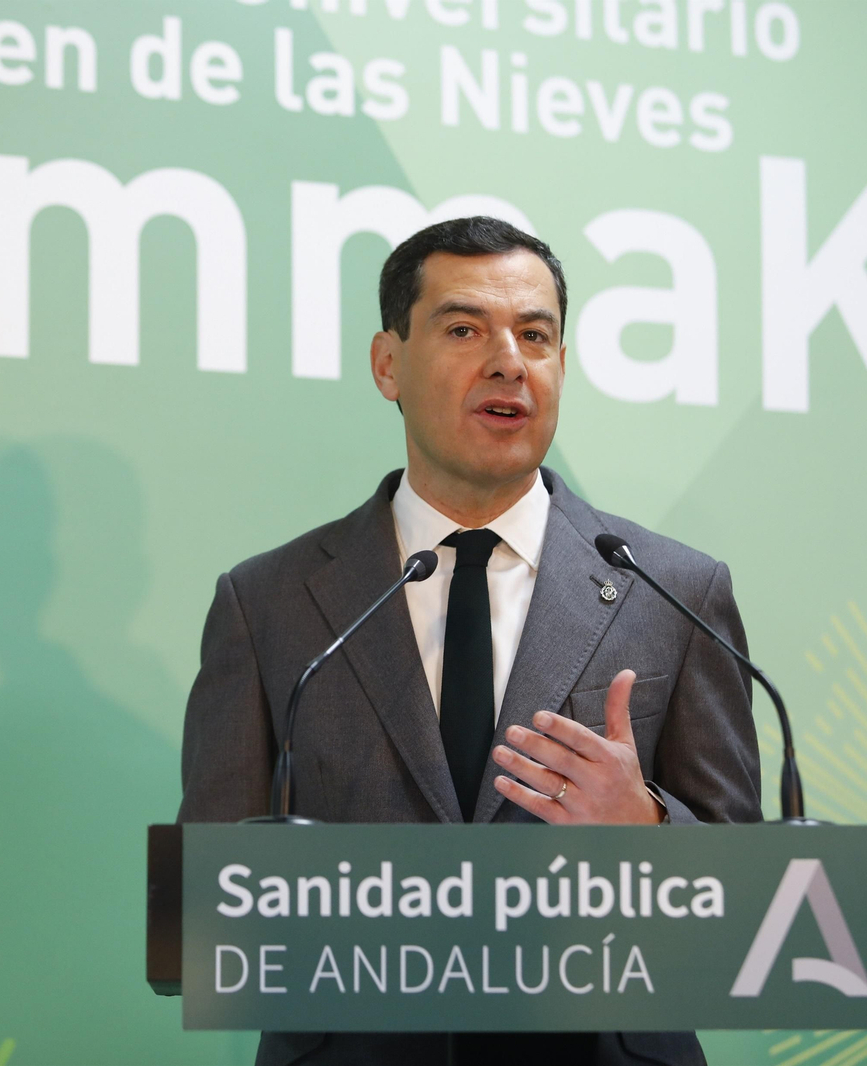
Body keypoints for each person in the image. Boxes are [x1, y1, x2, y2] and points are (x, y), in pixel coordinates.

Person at [178, 216, 762, 1066]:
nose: (508, 361)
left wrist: (644, 828)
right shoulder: (268, 603)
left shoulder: (673, 591)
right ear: (389, 364)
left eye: (536, 335)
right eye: (464, 329)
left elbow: (754, 905)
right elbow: (208, 900)